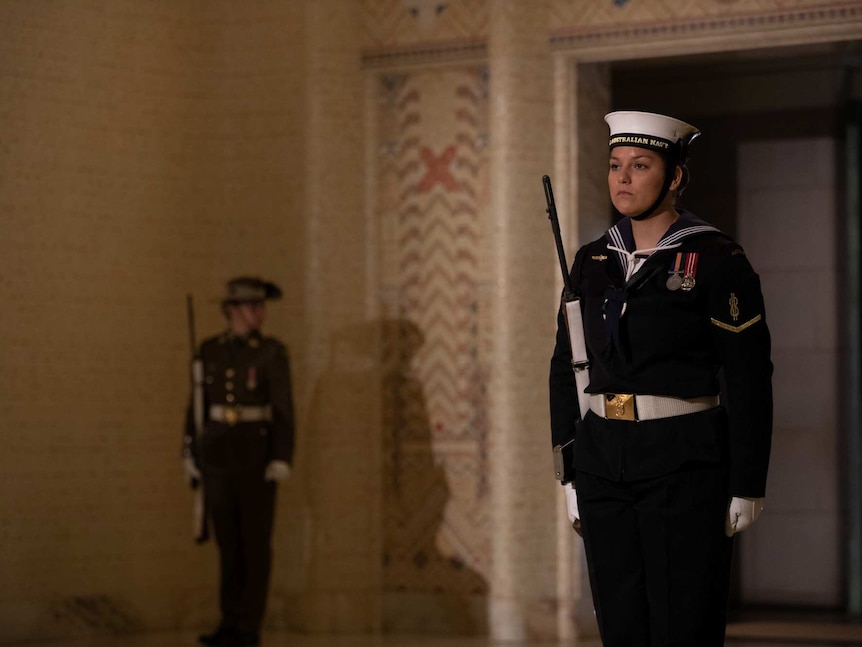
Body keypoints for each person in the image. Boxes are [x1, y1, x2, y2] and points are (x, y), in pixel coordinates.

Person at [549, 111, 773, 646]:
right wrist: (569, 468)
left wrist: (747, 482)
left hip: (684, 462)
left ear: (673, 177)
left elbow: (748, 375)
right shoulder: (592, 260)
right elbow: (565, 364)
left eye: (640, 165)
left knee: (682, 626)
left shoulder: (718, 258)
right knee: (621, 627)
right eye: (615, 165)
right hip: (604, 460)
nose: (622, 178)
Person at [183, 276, 295, 647]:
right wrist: (189, 450)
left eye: (261, 306)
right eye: (251, 306)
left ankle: (249, 627)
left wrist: (281, 456)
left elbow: (282, 410)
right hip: (217, 456)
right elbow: (196, 406)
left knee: (255, 545)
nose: (259, 313)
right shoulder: (209, 350)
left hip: (255, 457)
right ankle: (229, 622)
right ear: (231, 311)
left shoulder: (271, 352)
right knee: (228, 546)